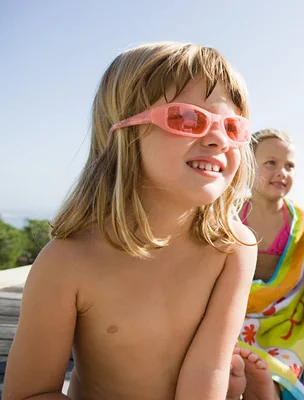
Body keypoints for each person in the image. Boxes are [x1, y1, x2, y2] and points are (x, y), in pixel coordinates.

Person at [3, 42, 257, 400]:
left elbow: (208, 369)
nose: (217, 139)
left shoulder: (233, 248)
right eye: (187, 118)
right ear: (123, 132)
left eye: (232, 127)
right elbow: (29, 393)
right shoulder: (66, 262)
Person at [238, 129, 304, 400]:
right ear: (248, 166)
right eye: (270, 163)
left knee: (280, 367)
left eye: (289, 166)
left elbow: (303, 287)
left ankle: (268, 386)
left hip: (281, 323)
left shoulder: (302, 226)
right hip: (232, 313)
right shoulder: (229, 216)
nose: (282, 172)